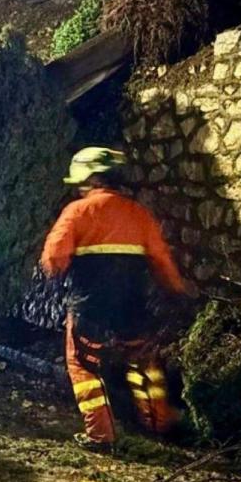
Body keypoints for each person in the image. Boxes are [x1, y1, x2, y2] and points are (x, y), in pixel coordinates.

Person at [40, 147, 188, 454]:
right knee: (144, 364)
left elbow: (53, 260)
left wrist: (54, 279)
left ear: (88, 179)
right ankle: (159, 424)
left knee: (83, 367)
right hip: (133, 307)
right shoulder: (139, 213)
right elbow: (162, 263)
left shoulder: (78, 212)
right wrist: (177, 293)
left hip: (89, 307)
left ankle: (101, 436)